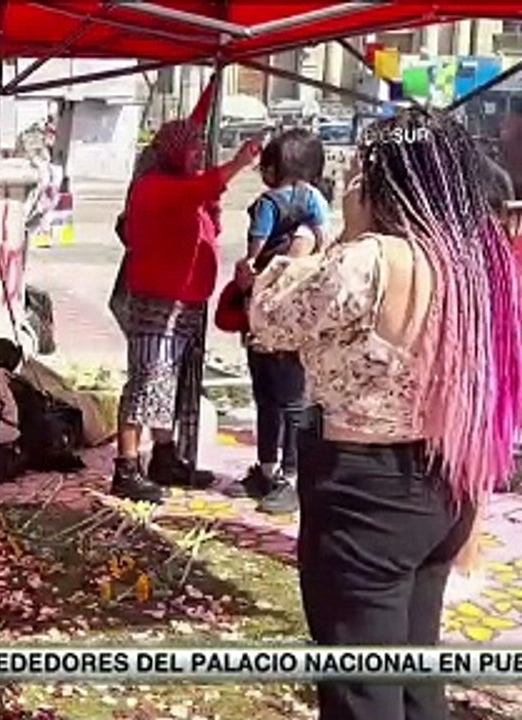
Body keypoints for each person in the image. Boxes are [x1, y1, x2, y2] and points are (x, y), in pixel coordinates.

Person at [239, 108, 522, 720]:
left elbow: (267, 316)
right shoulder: (479, 262)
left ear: (383, 182)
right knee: (416, 671)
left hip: (368, 490)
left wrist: (324, 239)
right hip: (447, 480)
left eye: (361, 172)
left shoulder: (370, 258)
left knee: (361, 685)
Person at [113, 121, 262, 503]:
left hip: (185, 304)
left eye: (200, 146)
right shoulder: (154, 187)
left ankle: (164, 456)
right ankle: (126, 467)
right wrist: (239, 163)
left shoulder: (180, 188)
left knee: (168, 384)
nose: (199, 153)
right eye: (193, 147)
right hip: (157, 303)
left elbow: (203, 209)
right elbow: (200, 187)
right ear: (172, 150)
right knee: (147, 381)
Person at [238, 128, 333, 516]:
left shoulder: (293, 219)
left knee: (289, 399)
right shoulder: (311, 208)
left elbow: (271, 260)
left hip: (282, 320)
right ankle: (267, 467)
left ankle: (289, 477)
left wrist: (252, 274)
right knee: (267, 395)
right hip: (263, 315)